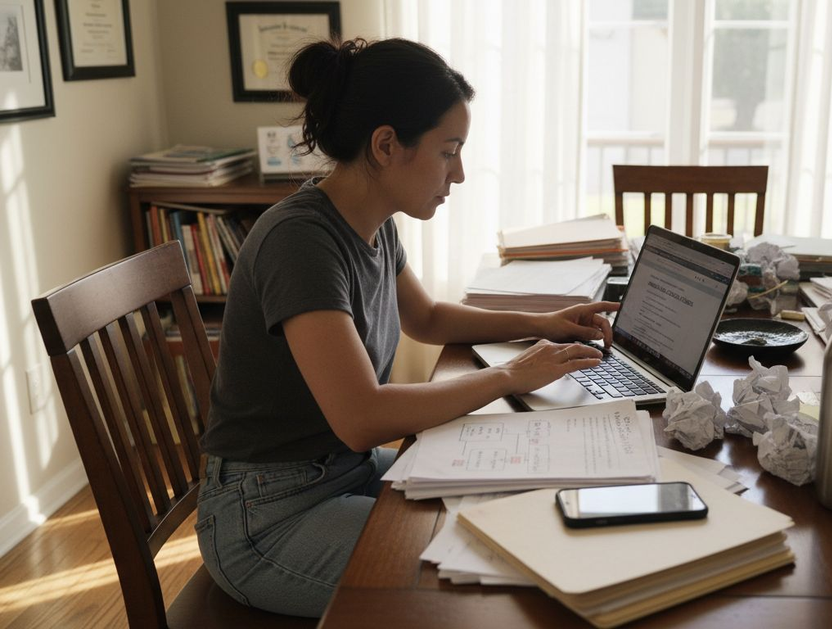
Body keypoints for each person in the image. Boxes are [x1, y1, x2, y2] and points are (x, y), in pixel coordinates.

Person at [194, 37, 619, 618]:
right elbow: (362, 417)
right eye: (449, 151)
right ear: (387, 145)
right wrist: (513, 375)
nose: (460, 173)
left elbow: (426, 317)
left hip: (342, 474)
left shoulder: (370, 222)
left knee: (520, 500)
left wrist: (539, 322)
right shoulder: (301, 242)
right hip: (267, 516)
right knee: (489, 577)